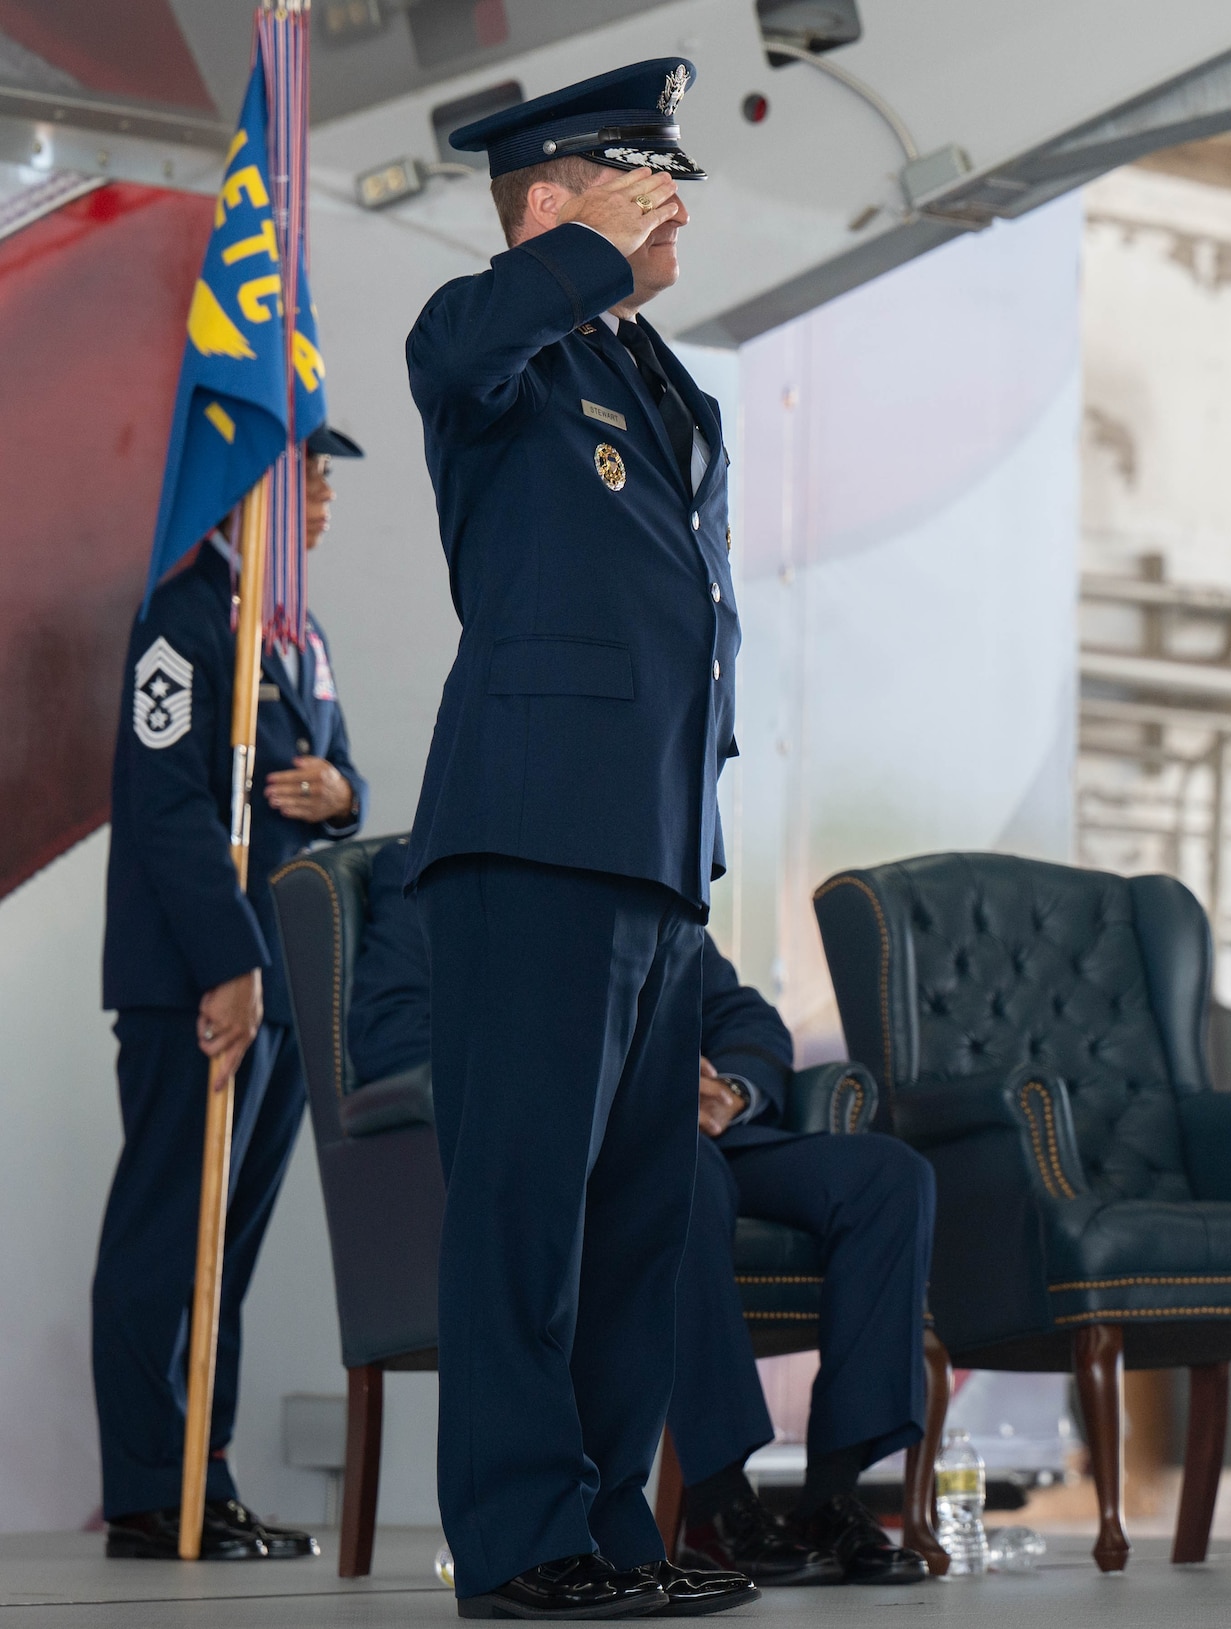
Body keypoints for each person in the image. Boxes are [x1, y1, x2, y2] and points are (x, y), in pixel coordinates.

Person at [405, 58, 755, 1621]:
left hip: (658, 856)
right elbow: (469, 339)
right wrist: (579, 255)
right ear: (547, 200)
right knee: (522, 1221)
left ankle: (610, 1529)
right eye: (634, 171)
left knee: (631, 1230)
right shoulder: (494, 344)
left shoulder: (664, 383)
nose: (669, 193)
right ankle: (521, 1539)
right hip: (533, 835)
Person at [348, 841, 937, 1587]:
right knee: (674, 1174)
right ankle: (718, 1506)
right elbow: (389, 1033)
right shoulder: (434, 878)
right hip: (589, 1145)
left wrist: (730, 1088)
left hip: (715, 1129)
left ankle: (833, 1493)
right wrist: (610, 1081)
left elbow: (744, 1013)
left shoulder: (629, 867)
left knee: (891, 1177)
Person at [94, 426, 369, 1560]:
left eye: (322, 482)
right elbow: (167, 808)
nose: (318, 499)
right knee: (168, 1239)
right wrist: (229, 963)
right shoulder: (182, 615)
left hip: (285, 988)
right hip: (204, 985)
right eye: (302, 475)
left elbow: (339, 779)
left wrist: (341, 791)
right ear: (247, 489)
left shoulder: (294, 637)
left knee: (229, 1253)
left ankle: (205, 1477)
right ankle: (149, 1494)